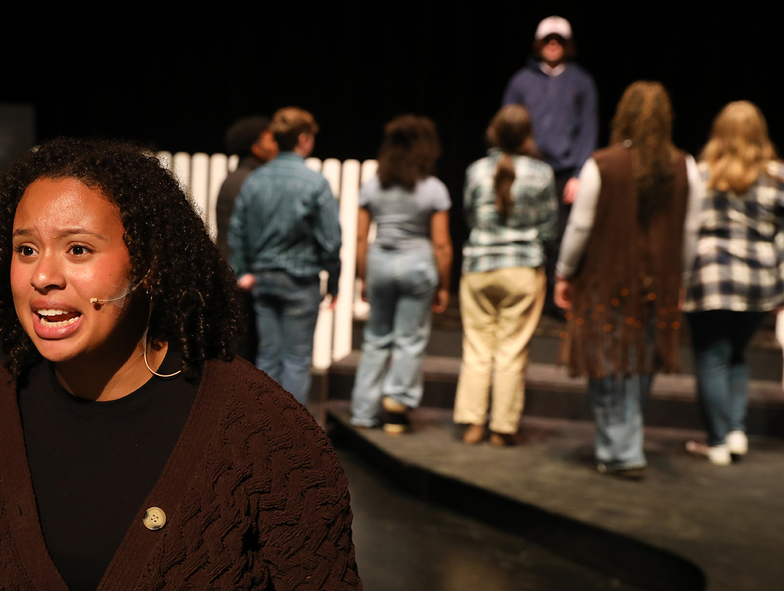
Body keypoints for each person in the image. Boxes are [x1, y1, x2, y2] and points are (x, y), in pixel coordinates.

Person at [0, 138, 380, 591]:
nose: (43, 277)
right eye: (26, 249)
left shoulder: (264, 433)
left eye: (78, 249)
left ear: (149, 265)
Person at [554, 81, 700, 478]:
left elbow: (580, 227)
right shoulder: (686, 166)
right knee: (639, 365)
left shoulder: (602, 164)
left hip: (607, 280)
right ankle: (623, 444)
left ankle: (621, 451)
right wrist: (681, 277)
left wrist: (564, 272)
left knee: (610, 364)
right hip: (659, 283)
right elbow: (690, 231)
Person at [683, 101, 784, 465]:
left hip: (709, 277)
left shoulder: (700, 175)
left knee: (712, 356)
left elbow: (685, 230)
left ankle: (718, 441)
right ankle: (735, 431)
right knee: (736, 353)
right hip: (759, 280)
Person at [454, 105, 557, 446]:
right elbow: (549, 226)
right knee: (511, 350)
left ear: (493, 133)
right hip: (522, 270)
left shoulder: (475, 170)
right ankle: (502, 428)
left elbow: (469, 216)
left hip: (479, 268)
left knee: (478, 348)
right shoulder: (542, 174)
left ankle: (472, 424)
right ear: (528, 135)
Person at [229, 107, 341, 403]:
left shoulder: (255, 180)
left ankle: (264, 432)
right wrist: (334, 282)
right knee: (296, 360)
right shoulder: (315, 183)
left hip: (264, 281)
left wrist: (243, 271)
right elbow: (330, 241)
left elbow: (237, 231)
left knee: (268, 357)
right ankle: (292, 439)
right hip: (300, 282)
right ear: (304, 139)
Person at [349, 115, 453, 433]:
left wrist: (362, 277)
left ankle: (363, 412)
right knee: (409, 340)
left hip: (380, 263)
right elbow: (442, 244)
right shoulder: (433, 189)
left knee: (376, 338)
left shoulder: (372, 186)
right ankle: (396, 409)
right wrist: (445, 285)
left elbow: (360, 238)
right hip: (418, 266)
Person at [503, 15, 598, 317]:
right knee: (525, 232)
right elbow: (508, 125)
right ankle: (524, 297)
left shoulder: (581, 82)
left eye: (559, 39)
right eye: (548, 39)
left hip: (564, 173)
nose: (553, 45)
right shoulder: (521, 81)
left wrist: (581, 174)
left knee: (558, 235)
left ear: (567, 45)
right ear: (539, 43)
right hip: (527, 169)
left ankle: (554, 302)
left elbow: (588, 129)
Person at [214, 115, 278, 362]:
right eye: (270, 140)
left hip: (234, 271)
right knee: (243, 349)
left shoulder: (237, 177)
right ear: (256, 147)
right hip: (241, 275)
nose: (276, 146)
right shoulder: (249, 181)